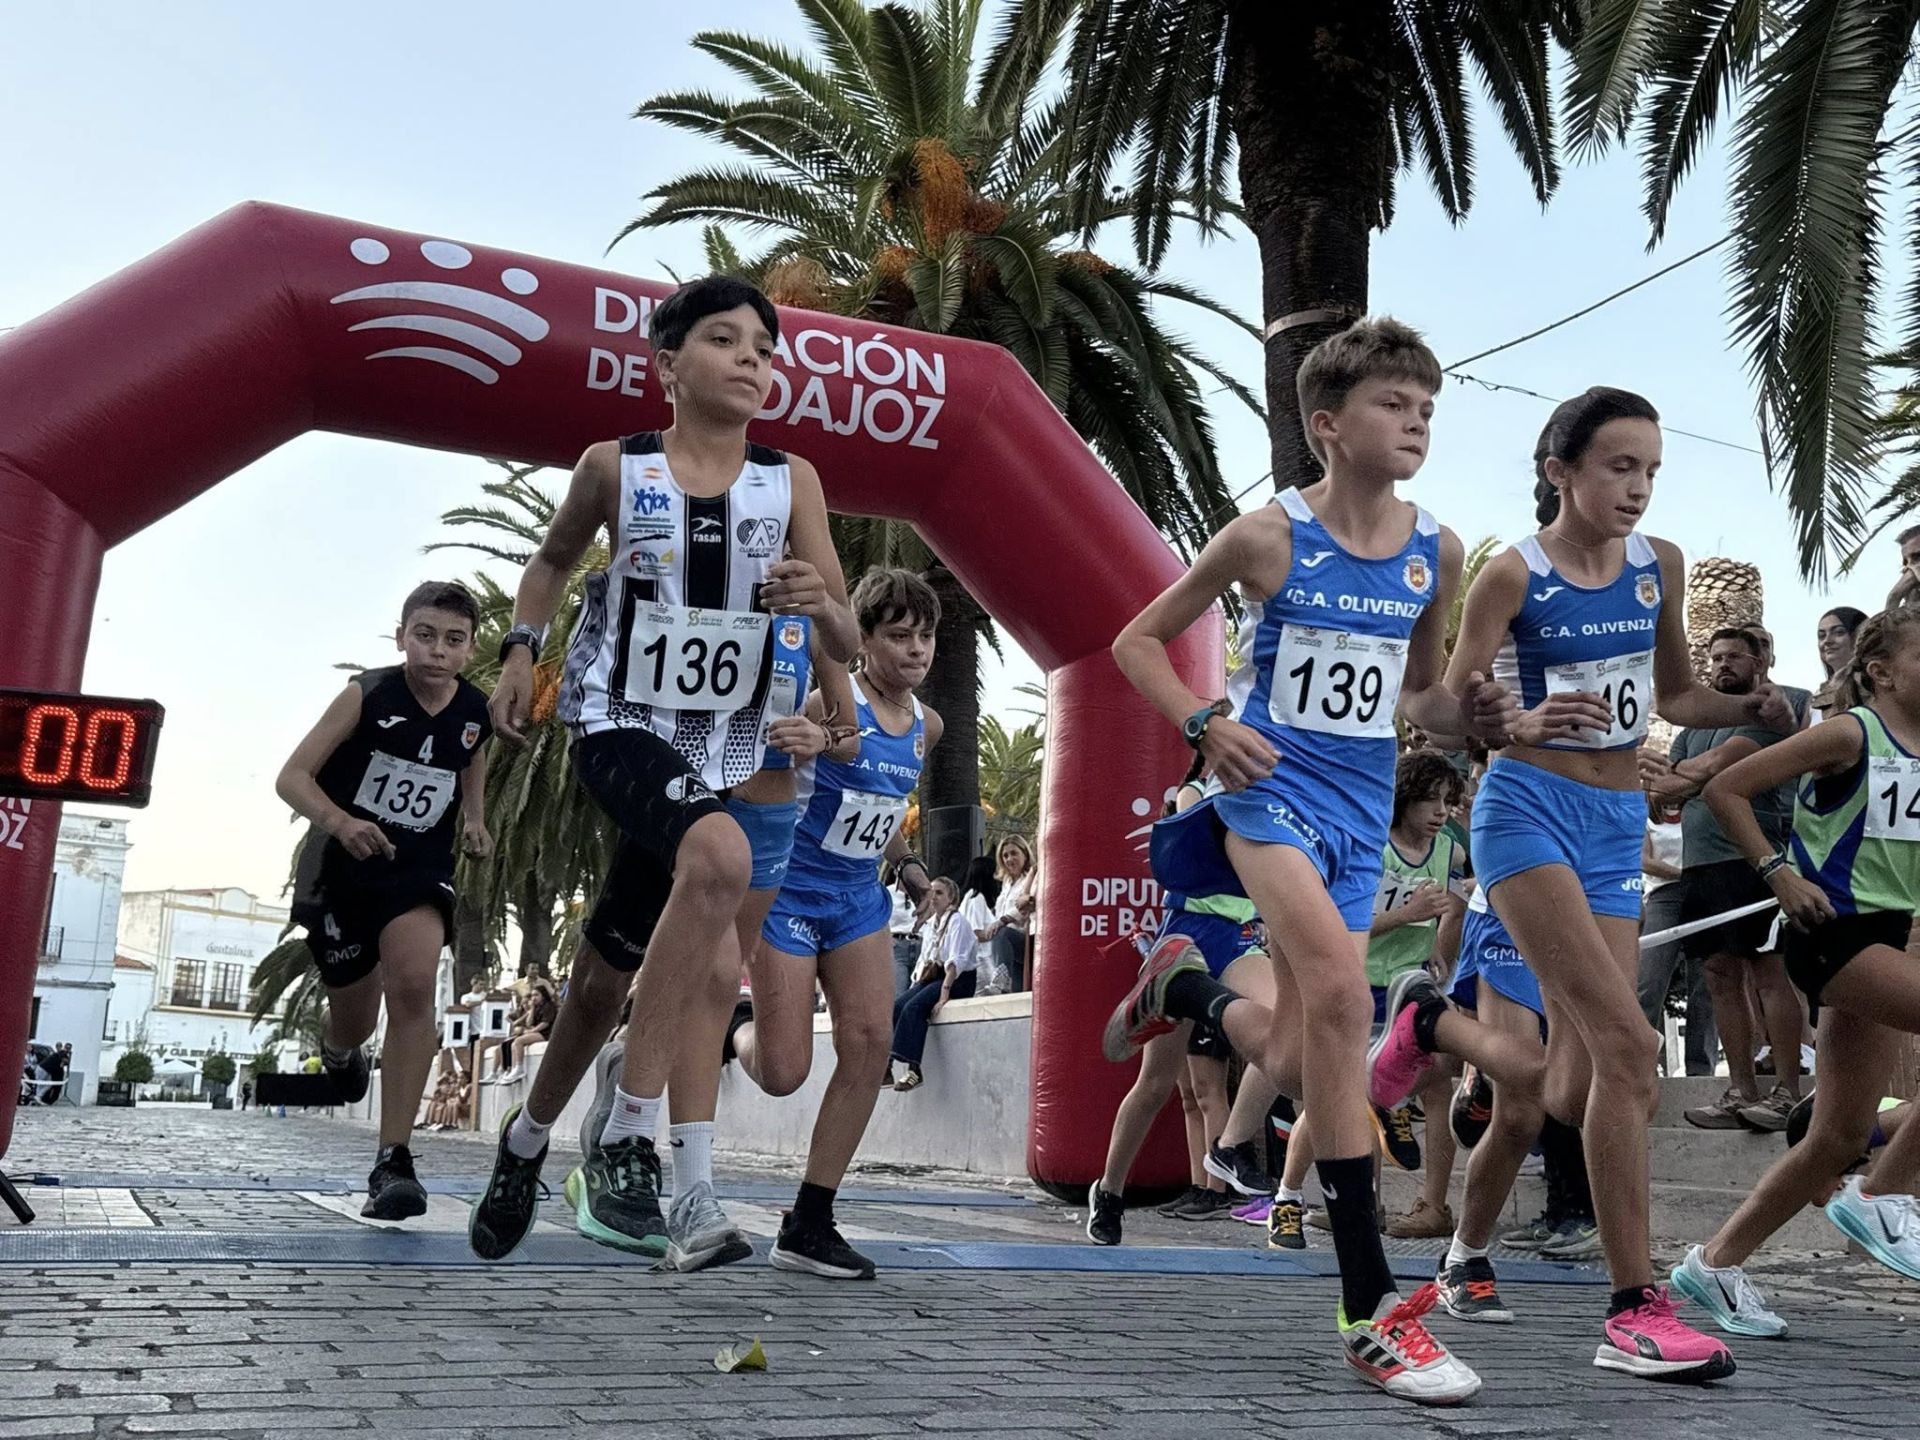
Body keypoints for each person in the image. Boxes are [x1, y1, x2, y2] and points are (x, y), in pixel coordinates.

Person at [1103, 317, 1515, 1404]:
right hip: (1265, 795)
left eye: (1428, 404)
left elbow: (1419, 692)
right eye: (1395, 403)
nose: (1418, 419)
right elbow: (1136, 640)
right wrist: (1203, 722)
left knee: (1299, 1053)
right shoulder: (1265, 540)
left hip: (1359, 807)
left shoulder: (1441, 550)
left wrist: (1465, 710)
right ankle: (1370, 1306)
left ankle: (1184, 986)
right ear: (1328, 426)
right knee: (1341, 994)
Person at [467, 275, 858, 1269]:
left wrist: (821, 604)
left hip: (723, 743)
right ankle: (628, 1129)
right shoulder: (614, 467)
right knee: (721, 857)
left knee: (603, 974)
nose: (752, 361)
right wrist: (520, 648)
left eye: (766, 351)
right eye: (726, 341)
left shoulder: (792, 481)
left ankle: (522, 1143)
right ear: (667, 364)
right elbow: (552, 562)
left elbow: (845, 633)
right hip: (618, 720)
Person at [1439, 386, 1794, 1381]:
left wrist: (1745, 703)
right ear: (1561, 469)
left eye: (1650, 471)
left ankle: (1435, 1037)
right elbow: (1445, 711)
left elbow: (1676, 691)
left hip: (1614, 826)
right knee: (1632, 1045)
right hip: (1526, 813)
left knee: (1570, 1079)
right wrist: (1504, 723)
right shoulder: (1514, 575)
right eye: (1617, 467)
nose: (1636, 488)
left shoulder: (1658, 567)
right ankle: (1634, 1308)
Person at [1672, 607, 1920, 1333]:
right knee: (1854, 1157)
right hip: (1830, 935)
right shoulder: (1851, 733)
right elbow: (1727, 789)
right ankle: (1885, 1194)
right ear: (1882, 672)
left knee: (1837, 1138)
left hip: (1885, 939)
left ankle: (1713, 1262)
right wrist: (1777, 871)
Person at [730, 567, 941, 1278]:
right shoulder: (827, 701)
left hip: (857, 900)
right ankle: (735, 1031)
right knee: (785, 1072)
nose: (916, 651)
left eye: (927, 636)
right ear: (863, 641)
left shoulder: (927, 726)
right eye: (900, 636)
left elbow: (882, 805)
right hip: (788, 895)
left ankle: (810, 1219)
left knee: (871, 1043)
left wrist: (908, 865)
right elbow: (763, 773)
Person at [278, 579, 493, 1220]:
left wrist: (475, 818)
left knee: (414, 985)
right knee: (355, 1016)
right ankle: (340, 1047)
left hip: (418, 868)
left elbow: (471, 752)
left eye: (453, 641)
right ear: (402, 637)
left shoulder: (475, 708)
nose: (437, 652)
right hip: (340, 868)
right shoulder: (366, 694)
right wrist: (343, 823)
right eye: (424, 636)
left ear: (471, 649)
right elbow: (291, 777)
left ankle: (394, 1160)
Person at [1087, 770, 1276, 1245]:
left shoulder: (1284, 794)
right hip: (1187, 934)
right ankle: (1108, 1190)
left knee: (1282, 1034)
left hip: (1240, 938)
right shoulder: (1199, 790)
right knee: (1154, 1084)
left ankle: (1232, 1144)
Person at [1654, 629, 1807, 1131]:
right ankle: (1739, 1090)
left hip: (1754, 860)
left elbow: (1710, 772)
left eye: (1733, 657)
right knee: (1719, 977)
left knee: (1768, 973)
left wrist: (1677, 776)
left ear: (1761, 660)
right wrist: (1677, 778)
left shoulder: (1767, 713)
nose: (1722, 666)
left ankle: (1788, 1090)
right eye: (1715, 657)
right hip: (1698, 866)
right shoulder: (1693, 727)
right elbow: (1660, 795)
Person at [1634, 794, 1716, 1074]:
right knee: (1649, 980)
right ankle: (1639, 1061)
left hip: (1704, 894)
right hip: (1664, 895)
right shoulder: (1646, 818)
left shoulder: (1699, 811)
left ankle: (1701, 1067)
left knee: (1705, 985)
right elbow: (1644, 860)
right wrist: (1683, 874)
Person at [888, 876, 975, 1091]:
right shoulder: (931, 924)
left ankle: (913, 1069)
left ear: (951, 898)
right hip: (935, 975)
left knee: (914, 1008)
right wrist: (915, 986)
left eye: (939, 893)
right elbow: (924, 959)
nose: (934, 898)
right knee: (898, 1006)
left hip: (957, 979)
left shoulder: (957, 922)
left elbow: (956, 961)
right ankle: (886, 1062)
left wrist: (944, 994)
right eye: (932, 893)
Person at [985, 835, 1037, 992]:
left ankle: (1001, 978)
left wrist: (1002, 921)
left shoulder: (1032, 878)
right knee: (1018, 995)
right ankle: (1002, 979)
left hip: (1025, 938)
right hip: (1009, 950)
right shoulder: (1006, 883)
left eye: (1014, 853)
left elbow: (1025, 907)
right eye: (1005, 855)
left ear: (1025, 854)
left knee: (1003, 932)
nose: (1009, 859)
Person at [956, 855, 1004, 991]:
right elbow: (975, 933)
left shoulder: (972, 897)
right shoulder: (976, 898)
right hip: (981, 962)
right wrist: (1000, 931)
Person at [1812, 607, 1868, 721]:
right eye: (1822, 636)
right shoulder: (1816, 697)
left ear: (1859, 637)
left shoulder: (1873, 687)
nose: (1827, 641)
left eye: (1838, 632)